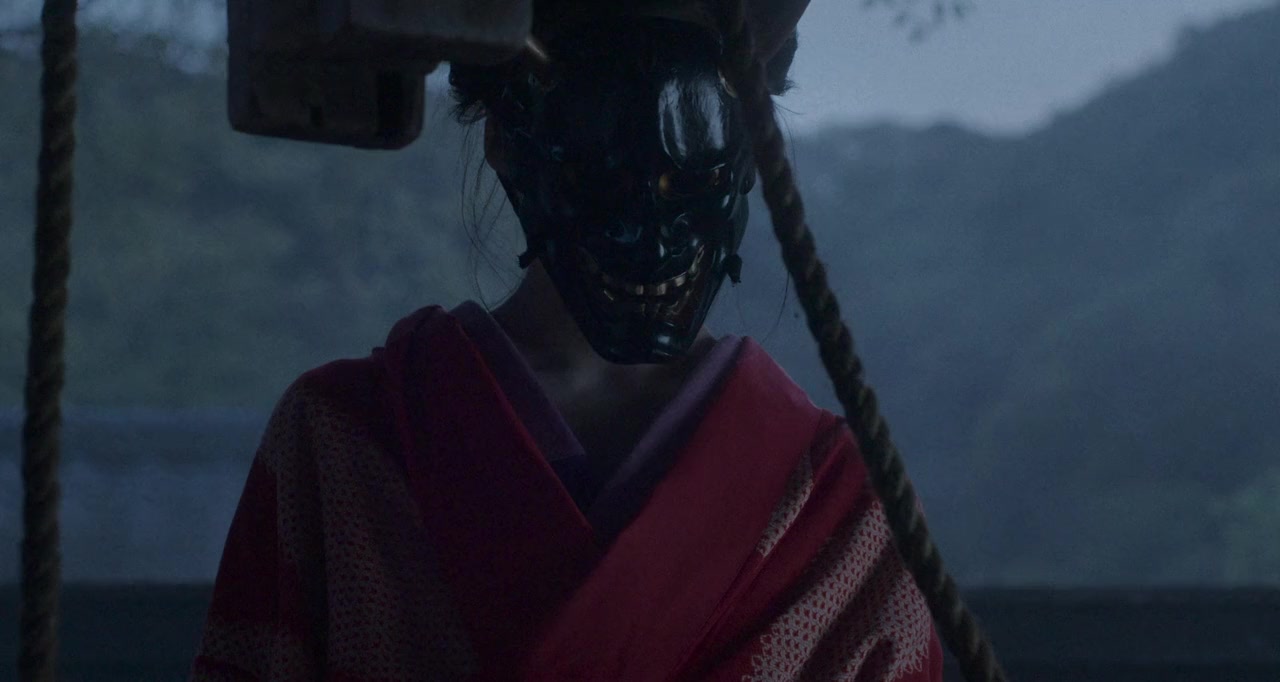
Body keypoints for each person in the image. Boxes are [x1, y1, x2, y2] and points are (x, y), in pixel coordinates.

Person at [190, 1, 944, 679]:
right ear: (507, 142)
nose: (653, 242)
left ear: (748, 157)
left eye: (686, 185)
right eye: (607, 176)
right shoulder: (341, 440)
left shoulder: (841, 504)